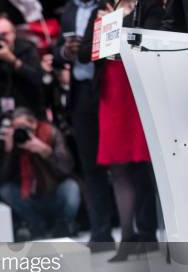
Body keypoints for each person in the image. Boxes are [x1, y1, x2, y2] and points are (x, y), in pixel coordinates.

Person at [79, 0, 163, 261]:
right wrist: (101, 26)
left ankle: (148, 235)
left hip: (138, 89)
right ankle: (127, 237)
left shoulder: (149, 6)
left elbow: (149, 42)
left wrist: (118, 22)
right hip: (111, 93)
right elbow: (85, 54)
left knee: (143, 163)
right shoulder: (100, 9)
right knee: (118, 166)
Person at [55, 0, 116, 251]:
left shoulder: (108, 4)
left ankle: (136, 233)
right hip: (81, 93)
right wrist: (66, 51)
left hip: (110, 88)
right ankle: (100, 233)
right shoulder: (68, 10)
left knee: (123, 167)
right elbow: (59, 51)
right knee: (90, 167)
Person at [0, 108, 80, 239]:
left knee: (71, 187)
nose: (21, 132)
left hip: (54, 194)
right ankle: (37, 225)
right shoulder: (14, 143)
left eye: (23, 127)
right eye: (16, 128)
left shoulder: (51, 133)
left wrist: (45, 151)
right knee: (6, 190)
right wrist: (8, 151)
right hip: (31, 199)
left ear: (34, 123)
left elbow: (67, 168)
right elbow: (2, 177)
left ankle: (63, 225)